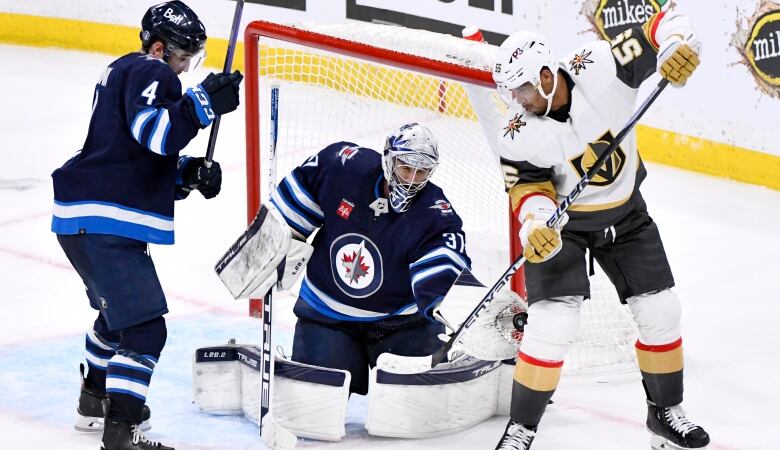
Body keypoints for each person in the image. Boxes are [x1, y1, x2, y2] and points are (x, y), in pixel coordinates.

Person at [482, 9, 710, 450]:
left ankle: (664, 413)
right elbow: (528, 186)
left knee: (662, 312)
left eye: (524, 90)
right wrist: (536, 223)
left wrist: (678, 44)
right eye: (512, 94)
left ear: (547, 75)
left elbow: (662, 21)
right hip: (564, 228)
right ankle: (521, 428)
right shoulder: (516, 133)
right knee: (552, 324)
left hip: (626, 215)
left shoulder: (601, 64)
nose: (518, 102)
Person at [50, 1, 242, 449]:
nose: (185, 69)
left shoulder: (124, 71)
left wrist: (187, 173)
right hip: (104, 221)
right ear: (158, 48)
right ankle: (120, 434)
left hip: (82, 215)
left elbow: (132, 155)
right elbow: (156, 134)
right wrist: (203, 104)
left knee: (117, 318)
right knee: (145, 330)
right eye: (182, 57)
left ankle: (95, 400)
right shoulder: (154, 73)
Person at [268, 123, 471, 396]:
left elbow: (443, 274)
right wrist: (271, 246)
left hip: (401, 325)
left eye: (421, 171)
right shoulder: (343, 167)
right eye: (405, 167)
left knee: (415, 406)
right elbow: (287, 212)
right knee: (316, 399)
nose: (411, 179)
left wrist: (455, 306)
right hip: (327, 316)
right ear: (389, 159)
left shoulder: (435, 214)